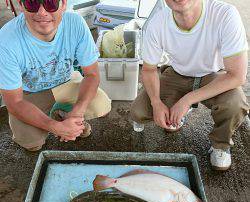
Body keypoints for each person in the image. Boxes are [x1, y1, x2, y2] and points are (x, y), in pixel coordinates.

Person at [130, 0, 249, 170]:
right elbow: (149, 70)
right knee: (138, 110)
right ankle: (176, 114)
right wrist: (156, 103)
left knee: (235, 104)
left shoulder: (225, 14)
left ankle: (220, 145)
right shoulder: (157, 23)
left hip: (213, 74)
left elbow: (237, 76)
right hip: (177, 72)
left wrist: (186, 100)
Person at [0, 0, 111, 151]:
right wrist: (55, 127)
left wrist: (77, 113)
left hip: (66, 82)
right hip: (30, 93)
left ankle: (68, 118)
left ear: (63, 4)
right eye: (32, 3)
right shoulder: (5, 40)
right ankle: (60, 119)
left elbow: (92, 74)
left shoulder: (76, 23)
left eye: (50, 3)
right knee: (32, 143)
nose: (42, 12)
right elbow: (14, 103)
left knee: (102, 104)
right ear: (21, 5)